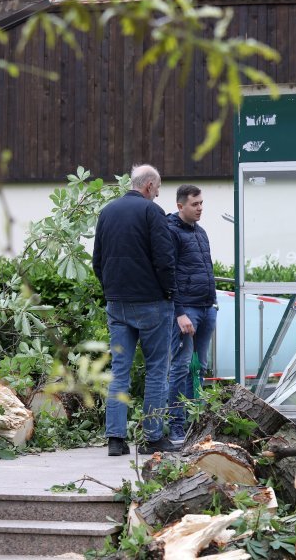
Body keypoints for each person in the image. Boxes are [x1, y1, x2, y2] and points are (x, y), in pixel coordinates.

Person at [92, 164, 179, 456]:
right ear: (149, 186)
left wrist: (111, 291)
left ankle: (116, 440)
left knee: (119, 371)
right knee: (157, 371)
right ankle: (152, 438)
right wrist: (169, 293)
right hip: (152, 303)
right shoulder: (151, 212)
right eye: (158, 188)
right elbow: (164, 258)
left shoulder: (107, 212)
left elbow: (98, 260)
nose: (157, 193)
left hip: (117, 303)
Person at [166, 184, 217, 447]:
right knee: (181, 367)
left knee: (200, 367)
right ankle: (176, 426)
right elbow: (169, 275)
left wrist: (213, 302)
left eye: (201, 203)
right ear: (180, 206)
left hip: (207, 307)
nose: (200, 208)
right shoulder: (171, 232)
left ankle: (195, 424)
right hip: (187, 311)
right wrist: (179, 312)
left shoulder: (201, 232)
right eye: (194, 204)